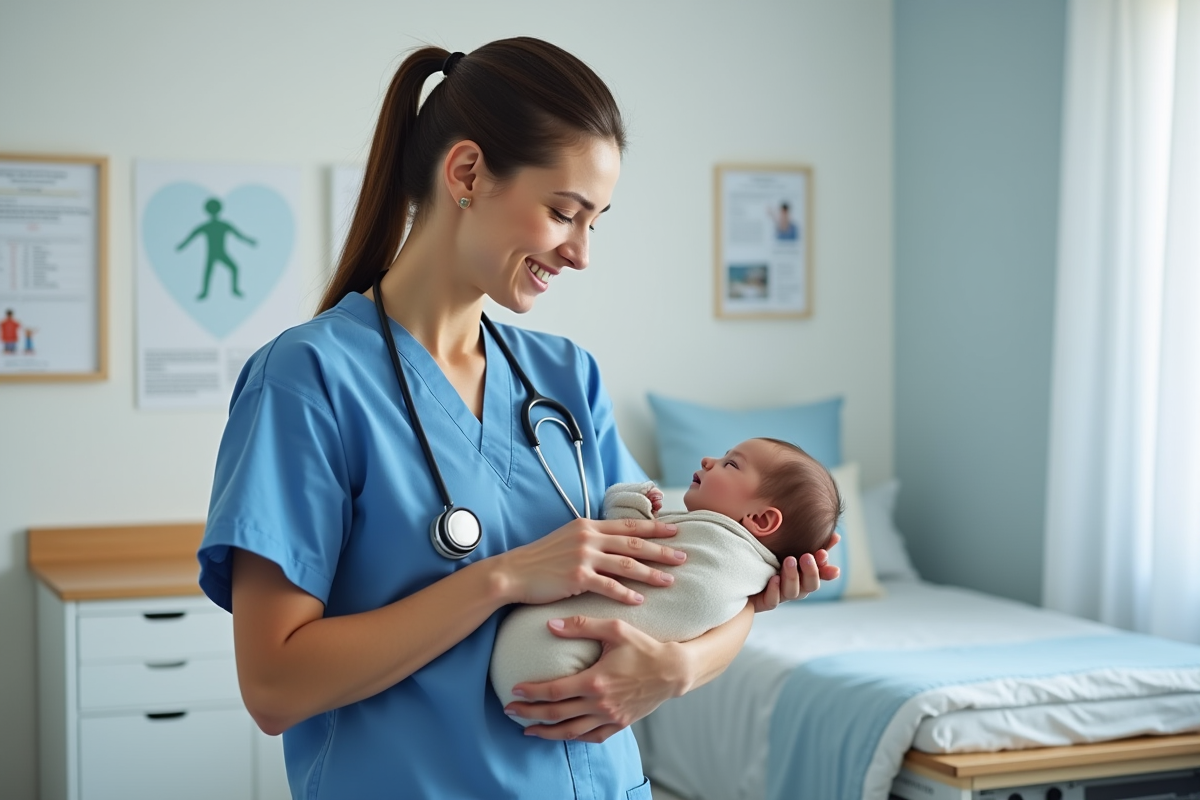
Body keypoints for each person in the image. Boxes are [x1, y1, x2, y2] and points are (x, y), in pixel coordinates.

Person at [196, 38, 840, 800]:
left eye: (595, 222)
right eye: (565, 213)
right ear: (467, 173)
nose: (581, 253)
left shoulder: (566, 379)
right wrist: (501, 580)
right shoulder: (308, 382)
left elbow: (681, 586)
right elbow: (275, 685)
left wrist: (677, 668)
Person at [491, 437, 841, 723]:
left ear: (761, 520)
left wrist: (627, 503)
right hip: (562, 687)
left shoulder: (712, 543)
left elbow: (627, 543)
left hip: (547, 657)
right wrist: (756, 600)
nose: (708, 460)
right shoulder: (748, 575)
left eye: (730, 464)